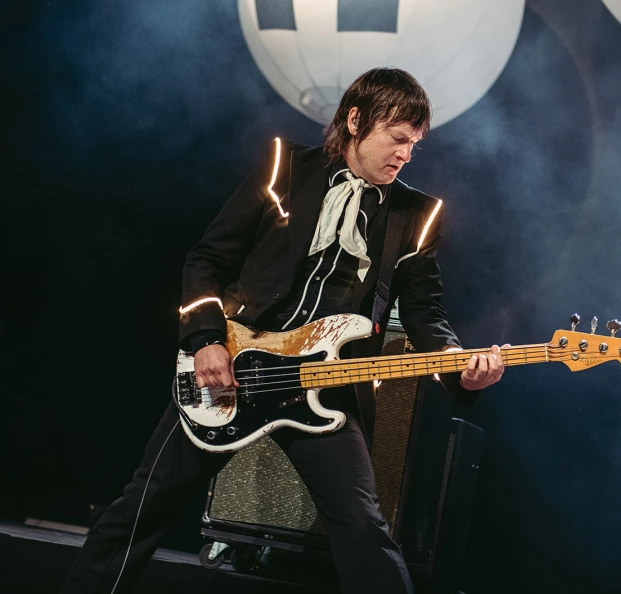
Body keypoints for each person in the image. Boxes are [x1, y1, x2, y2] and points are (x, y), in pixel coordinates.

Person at [60, 67, 505, 594]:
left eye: (415, 144)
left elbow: (426, 314)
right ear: (356, 119)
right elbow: (207, 259)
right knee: (143, 507)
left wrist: (460, 370)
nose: (406, 153)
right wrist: (205, 341)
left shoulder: (416, 214)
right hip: (236, 370)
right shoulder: (283, 167)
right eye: (398, 138)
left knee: (365, 529)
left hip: (326, 389)